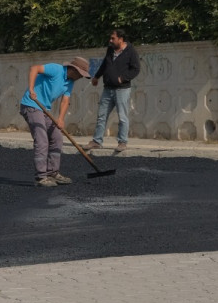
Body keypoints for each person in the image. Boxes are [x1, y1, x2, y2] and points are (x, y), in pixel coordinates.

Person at [19, 57, 91, 187]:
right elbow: (34, 68)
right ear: (74, 69)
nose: (81, 77)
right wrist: (31, 89)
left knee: (57, 137)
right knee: (42, 140)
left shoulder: (70, 82)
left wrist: (61, 119)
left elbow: (65, 101)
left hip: (44, 109)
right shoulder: (56, 69)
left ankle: (53, 172)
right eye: (81, 74)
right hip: (31, 105)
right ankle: (41, 177)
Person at [88, 29, 141, 153]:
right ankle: (97, 141)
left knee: (122, 116)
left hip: (122, 90)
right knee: (101, 115)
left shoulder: (131, 51)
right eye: (110, 38)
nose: (110, 40)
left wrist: (122, 78)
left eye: (113, 38)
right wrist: (96, 76)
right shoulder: (110, 50)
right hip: (108, 89)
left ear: (121, 39)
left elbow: (136, 69)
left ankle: (122, 142)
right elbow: (104, 64)